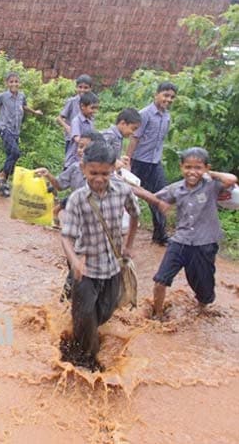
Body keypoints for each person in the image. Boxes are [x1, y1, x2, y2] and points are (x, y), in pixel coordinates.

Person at [61, 141, 140, 371]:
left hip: (113, 267)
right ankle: (87, 362)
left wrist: (129, 244)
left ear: (113, 169)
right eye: (93, 172)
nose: (99, 178)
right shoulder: (77, 199)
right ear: (83, 168)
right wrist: (75, 261)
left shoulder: (123, 191)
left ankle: (83, 337)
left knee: (104, 313)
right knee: (85, 316)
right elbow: (66, 237)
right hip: (86, 268)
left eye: (105, 173)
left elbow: (135, 216)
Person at [148, 147, 237, 320]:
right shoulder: (176, 189)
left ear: (206, 168)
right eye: (188, 167)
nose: (192, 172)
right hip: (180, 241)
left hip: (205, 244)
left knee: (203, 285)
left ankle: (202, 307)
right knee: (160, 280)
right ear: (181, 167)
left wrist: (209, 173)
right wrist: (156, 202)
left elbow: (231, 179)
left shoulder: (211, 185)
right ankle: (157, 315)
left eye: (198, 167)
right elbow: (154, 197)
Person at [127, 82, 177, 246]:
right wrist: (128, 161)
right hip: (139, 162)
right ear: (156, 94)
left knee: (161, 195)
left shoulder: (167, 116)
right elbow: (135, 138)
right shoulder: (145, 114)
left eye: (171, 97)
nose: (168, 99)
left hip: (155, 163)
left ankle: (160, 234)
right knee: (127, 193)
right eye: (165, 95)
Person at [35, 131, 103, 226]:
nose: (81, 151)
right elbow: (59, 186)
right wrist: (48, 174)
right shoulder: (75, 168)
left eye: (86, 148)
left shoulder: (104, 173)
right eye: (80, 146)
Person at [57, 74, 93, 159]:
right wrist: (67, 127)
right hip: (72, 139)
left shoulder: (91, 103)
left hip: (85, 140)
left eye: (86, 87)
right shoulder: (72, 101)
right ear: (76, 88)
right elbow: (59, 118)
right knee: (70, 160)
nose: (82, 90)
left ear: (91, 89)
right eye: (80, 87)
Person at [64, 91, 100, 168]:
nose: (95, 111)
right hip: (73, 160)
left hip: (83, 160)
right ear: (82, 106)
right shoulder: (76, 121)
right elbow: (77, 139)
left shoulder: (90, 121)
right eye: (92, 108)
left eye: (96, 108)